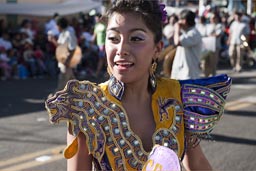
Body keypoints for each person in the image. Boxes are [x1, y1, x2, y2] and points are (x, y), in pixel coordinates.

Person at [45, 1, 231, 170]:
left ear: (157, 49)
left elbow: (197, 164)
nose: (121, 49)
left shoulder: (178, 97)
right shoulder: (85, 107)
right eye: (113, 38)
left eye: (136, 38)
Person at [48, 17, 78, 92]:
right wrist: (53, 40)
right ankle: (82, 97)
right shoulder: (63, 32)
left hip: (66, 61)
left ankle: (54, 100)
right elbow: (60, 46)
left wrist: (67, 61)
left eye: (56, 25)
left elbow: (73, 48)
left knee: (61, 86)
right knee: (74, 84)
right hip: (64, 60)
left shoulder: (69, 33)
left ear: (60, 25)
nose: (56, 27)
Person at [171, 9, 202, 80]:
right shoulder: (187, 31)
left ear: (184, 21)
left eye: (180, 20)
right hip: (181, 72)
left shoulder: (193, 33)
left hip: (188, 74)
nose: (178, 22)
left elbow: (177, 42)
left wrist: (177, 29)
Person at [91, 13, 107, 78]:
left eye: (97, 18)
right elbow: (94, 35)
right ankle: (108, 73)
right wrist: (91, 43)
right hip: (99, 45)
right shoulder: (97, 25)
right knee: (104, 59)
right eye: (95, 19)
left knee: (102, 59)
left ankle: (97, 73)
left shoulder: (105, 25)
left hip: (104, 44)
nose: (96, 20)